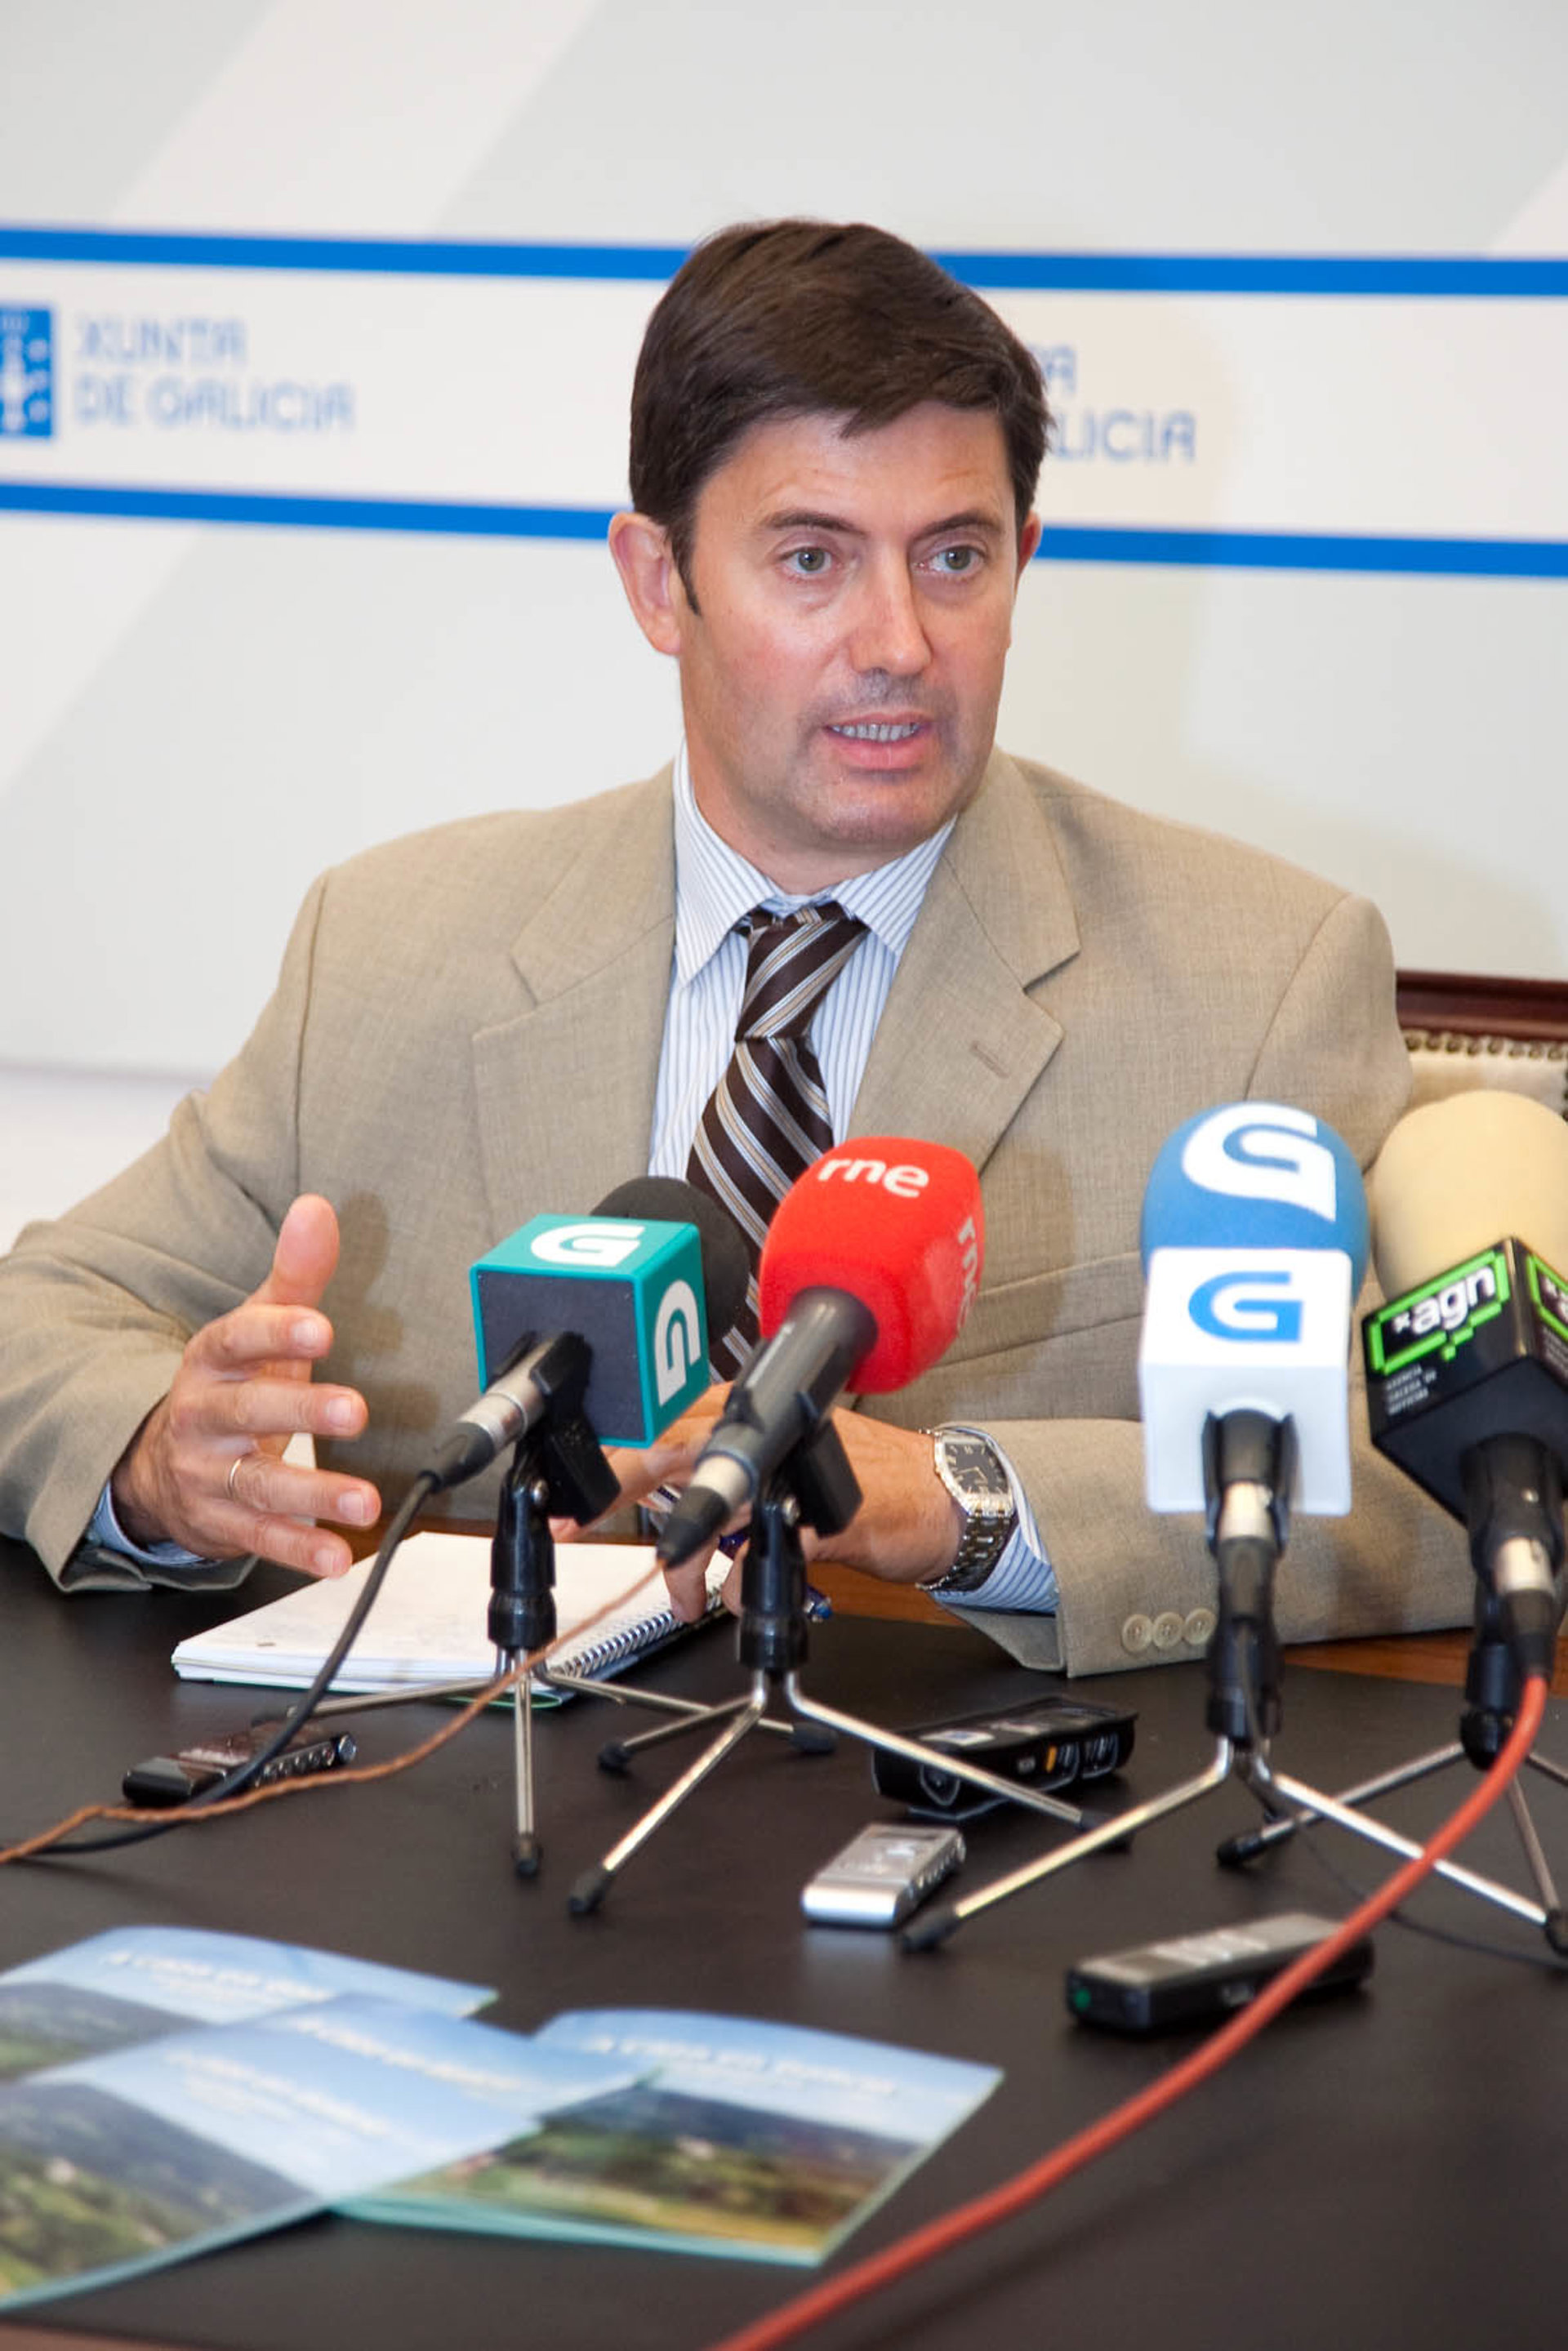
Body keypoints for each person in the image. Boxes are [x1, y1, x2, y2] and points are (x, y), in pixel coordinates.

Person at [0, 220, 1470, 1675]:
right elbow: (38, 1319)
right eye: (813, 559)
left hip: (959, 1793)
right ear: (660, 583)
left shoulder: (1257, 979)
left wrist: (954, 1501)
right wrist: (155, 1455)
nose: (899, 641)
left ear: (1024, 563)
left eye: (956, 558)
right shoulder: (389, 952)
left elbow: (1441, 1484)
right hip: (464, 1794)